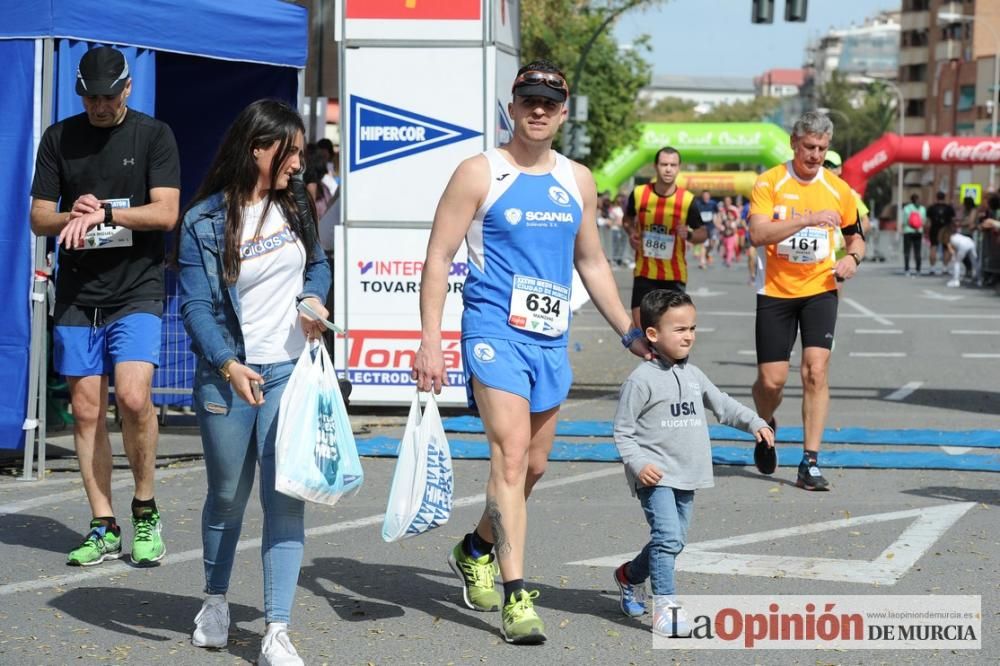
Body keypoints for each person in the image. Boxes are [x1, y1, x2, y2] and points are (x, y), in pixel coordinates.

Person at [411, 59, 650, 645]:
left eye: (549, 102)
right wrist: (429, 340)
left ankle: (475, 549)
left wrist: (628, 331)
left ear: (563, 114)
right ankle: (517, 597)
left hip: (548, 339)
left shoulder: (579, 179)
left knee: (533, 467)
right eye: (528, 101)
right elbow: (439, 257)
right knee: (511, 458)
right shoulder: (478, 172)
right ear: (512, 109)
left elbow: (591, 261)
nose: (538, 110)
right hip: (492, 331)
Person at [177, 99, 331, 665]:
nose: (299, 161)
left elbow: (317, 263)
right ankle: (215, 601)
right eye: (290, 150)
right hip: (229, 374)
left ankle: (277, 631)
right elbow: (194, 306)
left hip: (289, 371)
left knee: (285, 497)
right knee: (226, 495)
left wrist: (314, 297)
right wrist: (227, 364)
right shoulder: (203, 221)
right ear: (259, 149)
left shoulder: (297, 204)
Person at [29, 46, 180, 567]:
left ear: (127, 89)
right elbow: (39, 218)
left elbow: (166, 213)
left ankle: (144, 509)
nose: (98, 106)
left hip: (136, 288)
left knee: (135, 399)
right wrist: (76, 211)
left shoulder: (153, 135)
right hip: (77, 293)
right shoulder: (59, 138)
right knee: (88, 411)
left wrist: (108, 214)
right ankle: (102, 523)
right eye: (90, 97)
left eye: (107, 97)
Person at [611, 290, 773, 636]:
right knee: (668, 538)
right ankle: (666, 609)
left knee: (671, 541)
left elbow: (724, 405)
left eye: (692, 328)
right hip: (655, 476)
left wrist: (757, 423)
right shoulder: (640, 381)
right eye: (679, 329)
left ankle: (629, 576)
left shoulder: (693, 375)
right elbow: (623, 432)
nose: (688, 336)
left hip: (689, 473)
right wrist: (638, 464)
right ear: (652, 334)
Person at [748, 111, 864, 491]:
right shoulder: (770, 183)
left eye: (822, 148)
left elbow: (857, 237)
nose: (815, 155)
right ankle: (766, 425)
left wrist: (852, 258)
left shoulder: (839, 190)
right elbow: (757, 233)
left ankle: (809, 461)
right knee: (771, 381)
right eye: (809, 147)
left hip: (820, 288)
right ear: (794, 144)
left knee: (815, 370)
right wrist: (807, 219)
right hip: (776, 292)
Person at [622, 148, 707, 327]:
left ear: (678, 168)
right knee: (641, 330)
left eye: (672, 165)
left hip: (674, 276)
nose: (668, 169)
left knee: (671, 332)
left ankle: (672, 356)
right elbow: (627, 219)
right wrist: (631, 234)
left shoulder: (687, 200)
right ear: (655, 166)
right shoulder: (639, 194)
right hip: (644, 273)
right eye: (664, 164)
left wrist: (690, 234)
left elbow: (703, 233)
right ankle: (649, 356)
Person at [925, 191, 955, 275]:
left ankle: (932, 268)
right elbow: (952, 220)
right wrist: (953, 230)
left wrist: (926, 231)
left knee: (933, 247)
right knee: (946, 248)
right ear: (944, 198)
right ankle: (945, 268)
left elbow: (928, 221)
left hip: (934, 229)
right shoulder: (949, 208)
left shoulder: (932, 208)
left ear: (937, 197)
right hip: (946, 229)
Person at [941, 223, 978, 288]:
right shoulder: (956, 235)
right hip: (970, 242)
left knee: (956, 262)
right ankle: (979, 279)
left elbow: (951, 251)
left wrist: (954, 256)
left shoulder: (948, 239)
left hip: (963, 245)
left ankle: (956, 281)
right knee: (975, 262)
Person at [901, 193, 925, 276]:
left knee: (907, 251)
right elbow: (923, 221)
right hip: (918, 232)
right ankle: (918, 270)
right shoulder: (922, 209)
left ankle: (907, 269)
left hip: (908, 231)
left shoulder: (907, 208)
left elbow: (904, 221)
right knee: (917, 251)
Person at [692, 189, 717, 269]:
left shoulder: (713, 204)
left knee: (712, 244)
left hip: (711, 226)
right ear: (702, 197)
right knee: (703, 244)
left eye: (707, 196)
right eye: (704, 196)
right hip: (703, 227)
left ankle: (708, 253)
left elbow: (718, 213)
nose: (706, 197)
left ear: (709, 196)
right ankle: (702, 262)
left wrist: (718, 223)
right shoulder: (698, 204)